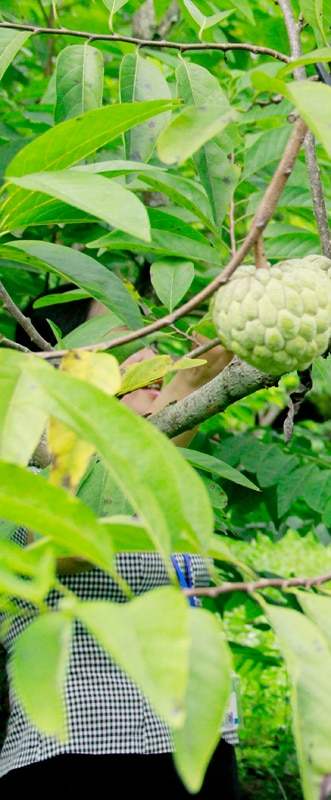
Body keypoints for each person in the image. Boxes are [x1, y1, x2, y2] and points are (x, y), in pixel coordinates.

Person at [0, 290, 239, 798]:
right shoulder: (22, 465)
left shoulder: (154, 465)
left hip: (198, 744)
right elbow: (69, 543)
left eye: (145, 341)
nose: (141, 359)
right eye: (114, 352)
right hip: (82, 754)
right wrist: (185, 386)